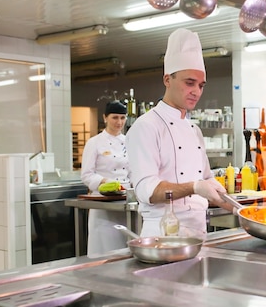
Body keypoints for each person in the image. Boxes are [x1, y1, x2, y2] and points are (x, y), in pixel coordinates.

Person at [126, 28, 230, 238]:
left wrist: (242, 210)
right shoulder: (146, 126)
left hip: (199, 233)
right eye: (189, 83)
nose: (197, 92)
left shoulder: (194, 130)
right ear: (167, 79)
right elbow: (148, 190)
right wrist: (194, 187)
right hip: (163, 236)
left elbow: (209, 184)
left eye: (201, 85)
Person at [81, 100, 130, 255]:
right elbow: (87, 175)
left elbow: (133, 171)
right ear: (105, 118)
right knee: (105, 250)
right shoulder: (94, 143)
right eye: (115, 118)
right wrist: (106, 182)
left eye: (122, 118)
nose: (119, 122)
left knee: (125, 249)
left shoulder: (129, 142)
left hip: (125, 202)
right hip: (102, 204)